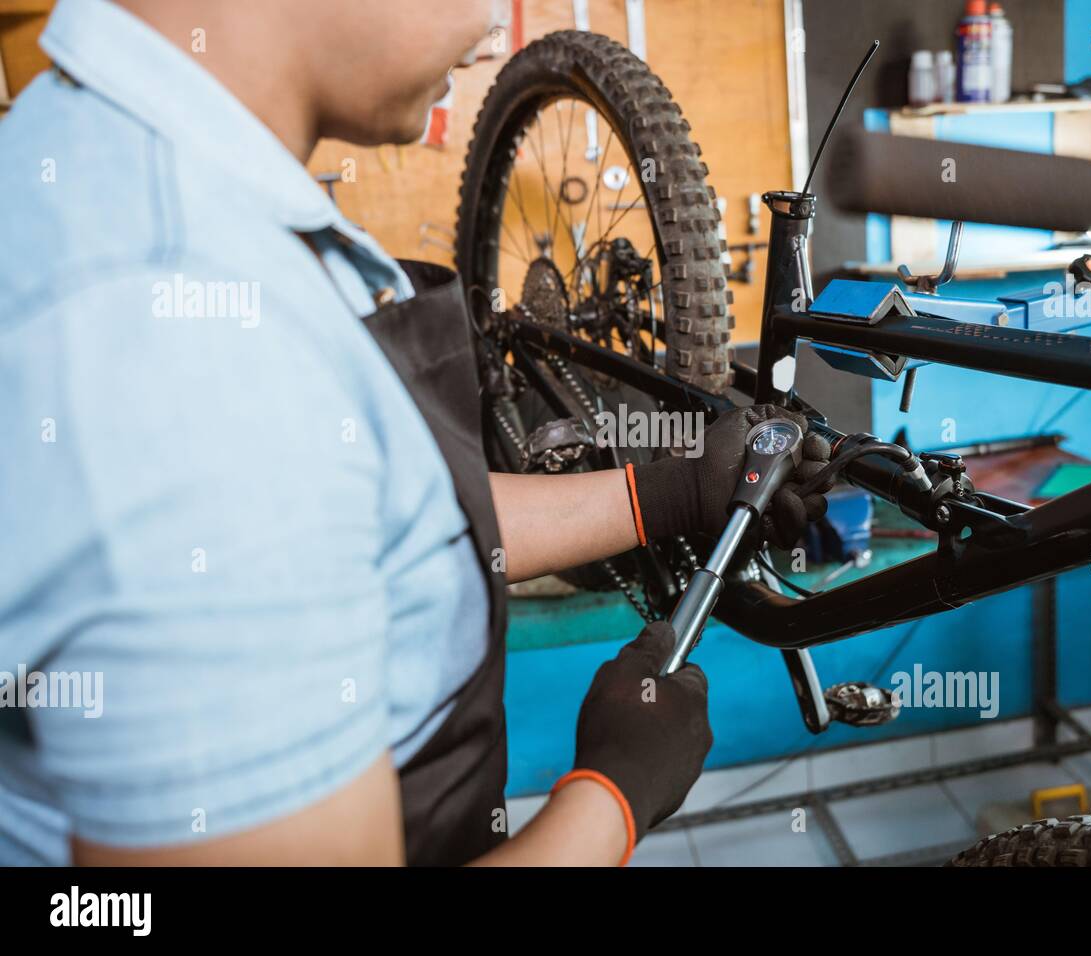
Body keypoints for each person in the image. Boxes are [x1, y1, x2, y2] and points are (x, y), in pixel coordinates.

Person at [0, 0, 829, 866]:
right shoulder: (180, 328)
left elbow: (366, 520)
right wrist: (610, 801)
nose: (494, 31)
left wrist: (665, 491)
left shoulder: (131, 181)